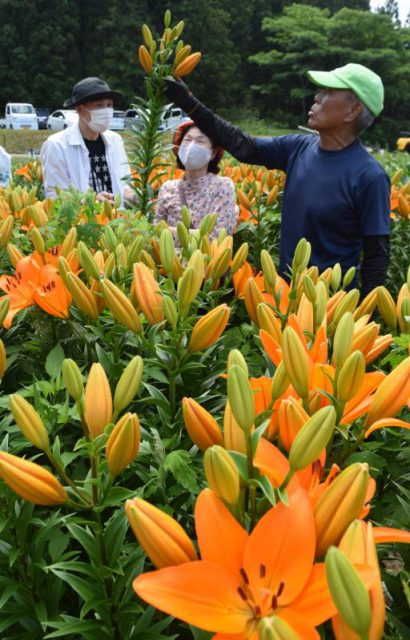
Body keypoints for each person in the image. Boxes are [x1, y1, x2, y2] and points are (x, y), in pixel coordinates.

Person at [165, 63, 391, 295]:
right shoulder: (298, 147)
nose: (317, 97)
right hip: (284, 295)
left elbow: (377, 254)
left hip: (330, 304)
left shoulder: (369, 176)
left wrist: (364, 316)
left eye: (329, 93)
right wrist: (189, 103)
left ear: (353, 111)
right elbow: (244, 146)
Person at [41, 77, 134, 206]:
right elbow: (55, 199)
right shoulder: (57, 145)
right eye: (99, 105)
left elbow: (125, 185)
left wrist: (140, 196)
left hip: (116, 221)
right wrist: (89, 202)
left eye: (109, 105)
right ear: (80, 109)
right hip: (81, 223)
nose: (106, 111)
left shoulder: (115, 140)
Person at [155, 120, 237, 237]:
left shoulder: (222, 186)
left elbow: (219, 236)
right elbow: (155, 232)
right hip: (166, 255)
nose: (191, 145)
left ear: (213, 153)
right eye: (187, 140)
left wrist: (169, 232)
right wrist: (199, 234)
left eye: (200, 141)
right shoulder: (168, 188)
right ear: (179, 149)